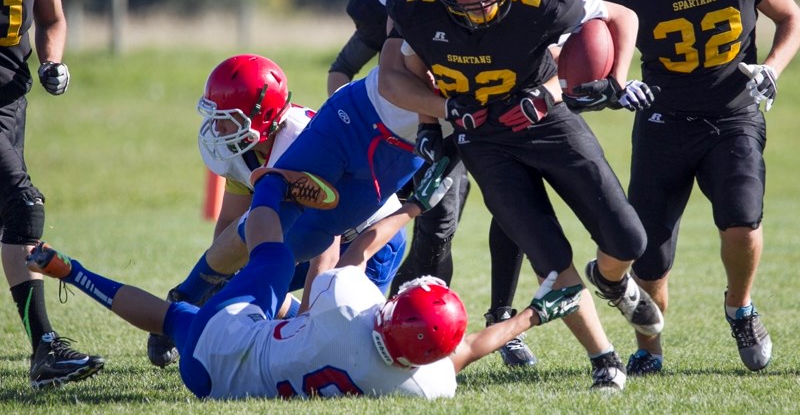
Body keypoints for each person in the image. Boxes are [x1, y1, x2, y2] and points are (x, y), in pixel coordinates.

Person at [379, 0, 664, 390]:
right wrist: (440, 112)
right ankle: (605, 359)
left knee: (628, 240)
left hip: (545, 120)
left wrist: (571, 88)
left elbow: (620, 18)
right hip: (484, 137)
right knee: (550, 257)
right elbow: (398, 76)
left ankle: (612, 280)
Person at [590, 0, 800, 375]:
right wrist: (617, 83)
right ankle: (650, 349)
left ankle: (740, 308)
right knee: (651, 253)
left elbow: (790, 18)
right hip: (663, 116)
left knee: (742, 218)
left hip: (733, 110)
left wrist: (772, 68)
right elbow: (597, 44)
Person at [26, 217, 582, 400]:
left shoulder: (348, 310)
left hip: (232, 341)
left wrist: (404, 204)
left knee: (270, 253)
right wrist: (536, 313)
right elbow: (471, 348)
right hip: (209, 380)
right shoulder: (424, 384)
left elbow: (343, 252)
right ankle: (71, 271)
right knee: (176, 321)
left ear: (391, 316)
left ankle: (264, 187)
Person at [380, 0, 572, 365]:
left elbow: (560, 30)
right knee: (434, 219)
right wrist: (430, 117)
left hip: (508, 100)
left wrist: (561, 86)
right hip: (447, 100)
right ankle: (404, 321)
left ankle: (503, 321)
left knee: (514, 211)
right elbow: (402, 51)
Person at [147, 54, 419, 367]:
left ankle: (293, 327)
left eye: (227, 117)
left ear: (262, 116)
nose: (217, 127)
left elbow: (326, 243)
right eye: (215, 115)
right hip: (306, 229)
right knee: (248, 272)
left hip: (366, 237)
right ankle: (183, 300)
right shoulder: (241, 150)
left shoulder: (302, 142)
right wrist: (218, 280)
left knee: (337, 345)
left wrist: (305, 325)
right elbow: (230, 225)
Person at [0, 0, 104, 389]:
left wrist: (52, 61)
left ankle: (42, 351)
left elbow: (50, 14)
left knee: (13, 217)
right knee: (24, 205)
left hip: (9, 99)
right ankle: (44, 347)